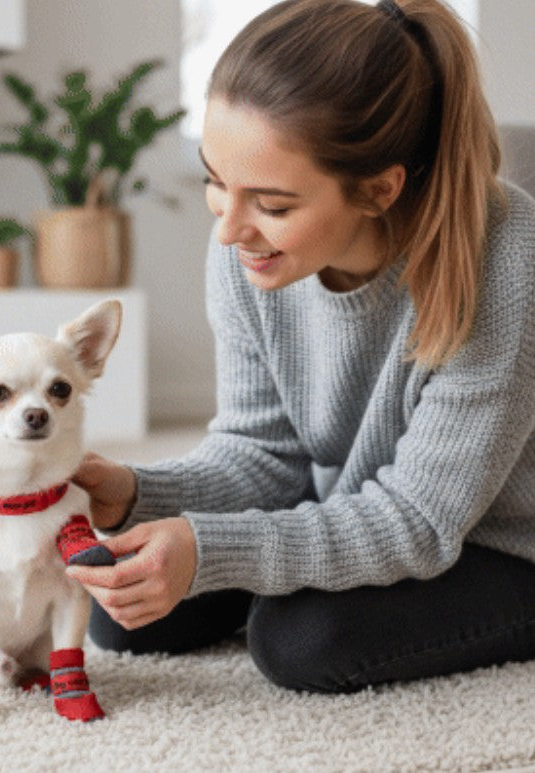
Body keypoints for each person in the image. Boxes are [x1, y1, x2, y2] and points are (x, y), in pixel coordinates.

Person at [66, 0, 535, 693]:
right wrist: (138, 494)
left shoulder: (503, 259)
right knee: (129, 610)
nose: (228, 230)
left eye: (271, 205)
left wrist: (212, 551)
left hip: (500, 542)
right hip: (380, 508)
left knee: (303, 638)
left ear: (378, 189)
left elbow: (417, 519)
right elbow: (263, 454)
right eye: (214, 182)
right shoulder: (245, 251)